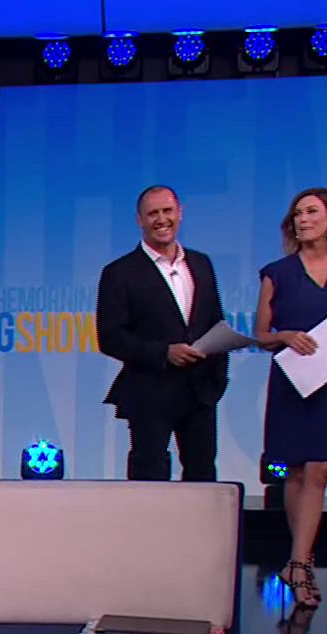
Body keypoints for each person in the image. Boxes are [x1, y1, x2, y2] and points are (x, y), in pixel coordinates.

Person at [254, 188, 327, 609]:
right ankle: (300, 560)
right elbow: (261, 334)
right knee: (297, 472)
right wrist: (285, 336)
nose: (303, 220)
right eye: (297, 214)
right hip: (295, 381)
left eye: (311, 212)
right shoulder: (277, 274)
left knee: (320, 470)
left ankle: (299, 563)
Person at [95, 185, 232, 481]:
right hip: (150, 392)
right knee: (150, 476)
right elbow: (110, 337)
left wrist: (218, 380)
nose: (161, 219)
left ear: (180, 213)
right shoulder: (119, 273)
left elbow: (215, 321)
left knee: (202, 476)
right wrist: (164, 352)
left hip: (200, 393)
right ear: (139, 220)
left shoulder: (201, 264)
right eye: (152, 213)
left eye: (167, 211)